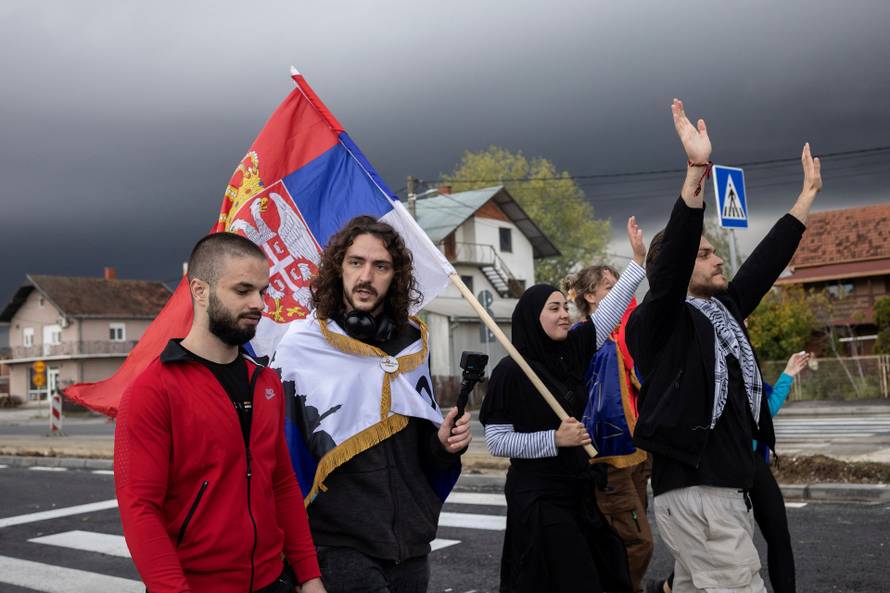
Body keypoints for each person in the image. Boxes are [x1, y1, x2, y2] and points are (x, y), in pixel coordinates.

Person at [626, 98, 822, 593]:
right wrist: (696, 172)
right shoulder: (659, 320)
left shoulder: (724, 310)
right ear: (677, 263)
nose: (718, 260)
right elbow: (669, 271)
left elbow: (764, 262)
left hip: (721, 492)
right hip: (699, 493)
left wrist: (805, 200)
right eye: (705, 253)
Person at [115, 232, 325, 593]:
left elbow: (282, 485)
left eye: (263, 290)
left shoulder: (266, 383)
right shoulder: (153, 390)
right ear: (199, 291)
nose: (259, 303)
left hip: (272, 581)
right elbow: (140, 510)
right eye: (243, 291)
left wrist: (309, 576)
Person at [272, 216, 471, 593]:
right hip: (339, 544)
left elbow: (420, 454)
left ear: (395, 275)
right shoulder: (301, 346)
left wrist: (443, 446)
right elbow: (285, 457)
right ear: (338, 268)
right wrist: (296, 562)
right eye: (356, 262)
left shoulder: (414, 346)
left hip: (410, 545)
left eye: (381, 266)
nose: (367, 276)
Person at [480, 276, 644, 592]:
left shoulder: (571, 352)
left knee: (608, 568)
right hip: (539, 496)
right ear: (532, 316)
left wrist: (637, 265)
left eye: (565, 307)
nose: (564, 314)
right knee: (572, 578)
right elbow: (497, 440)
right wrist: (554, 439)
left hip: (578, 489)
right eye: (554, 308)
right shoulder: (510, 371)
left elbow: (608, 312)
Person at [648, 351, 812, 593]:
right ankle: (667, 587)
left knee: (777, 536)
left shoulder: (742, 354)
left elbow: (763, 412)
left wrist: (787, 374)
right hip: (718, 466)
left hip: (750, 461)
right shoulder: (705, 355)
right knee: (707, 548)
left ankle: (666, 588)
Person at [562, 217, 652, 593]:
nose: (622, 296)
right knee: (637, 542)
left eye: (621, 288)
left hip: (639, 451)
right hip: (609, 456)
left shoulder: (630, 331)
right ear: (590, 297)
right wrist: (637, 260)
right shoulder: (587, 337)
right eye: (610, 289)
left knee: (631, 536)